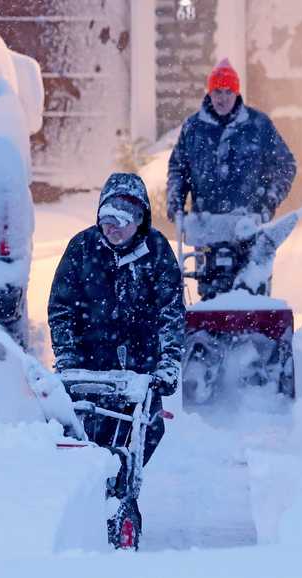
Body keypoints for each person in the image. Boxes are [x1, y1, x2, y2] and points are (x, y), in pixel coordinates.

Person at [48, 172, 184, 467]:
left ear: (140, 220)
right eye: (107, 218)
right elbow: (61, 308)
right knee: (86, 436)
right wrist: (67, 356)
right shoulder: (82, 248)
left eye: (121, 220)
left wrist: (169, 363)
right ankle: (93, 481)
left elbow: (170, 312)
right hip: (88, 365)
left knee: (147, 432)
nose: (112, 227)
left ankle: (121, 479)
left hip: (140, 367)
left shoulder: (156, 251)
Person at [167, 58, 296, 224]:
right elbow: (178, 168)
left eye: (229, 92)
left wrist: (268, 201)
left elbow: (285, 165)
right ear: (210, 93)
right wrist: (175, 205)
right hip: (204, 225)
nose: (223, 98)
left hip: (249, 224)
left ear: (237, 93)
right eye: (218, 92)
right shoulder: (193, 128)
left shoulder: (258, 125)